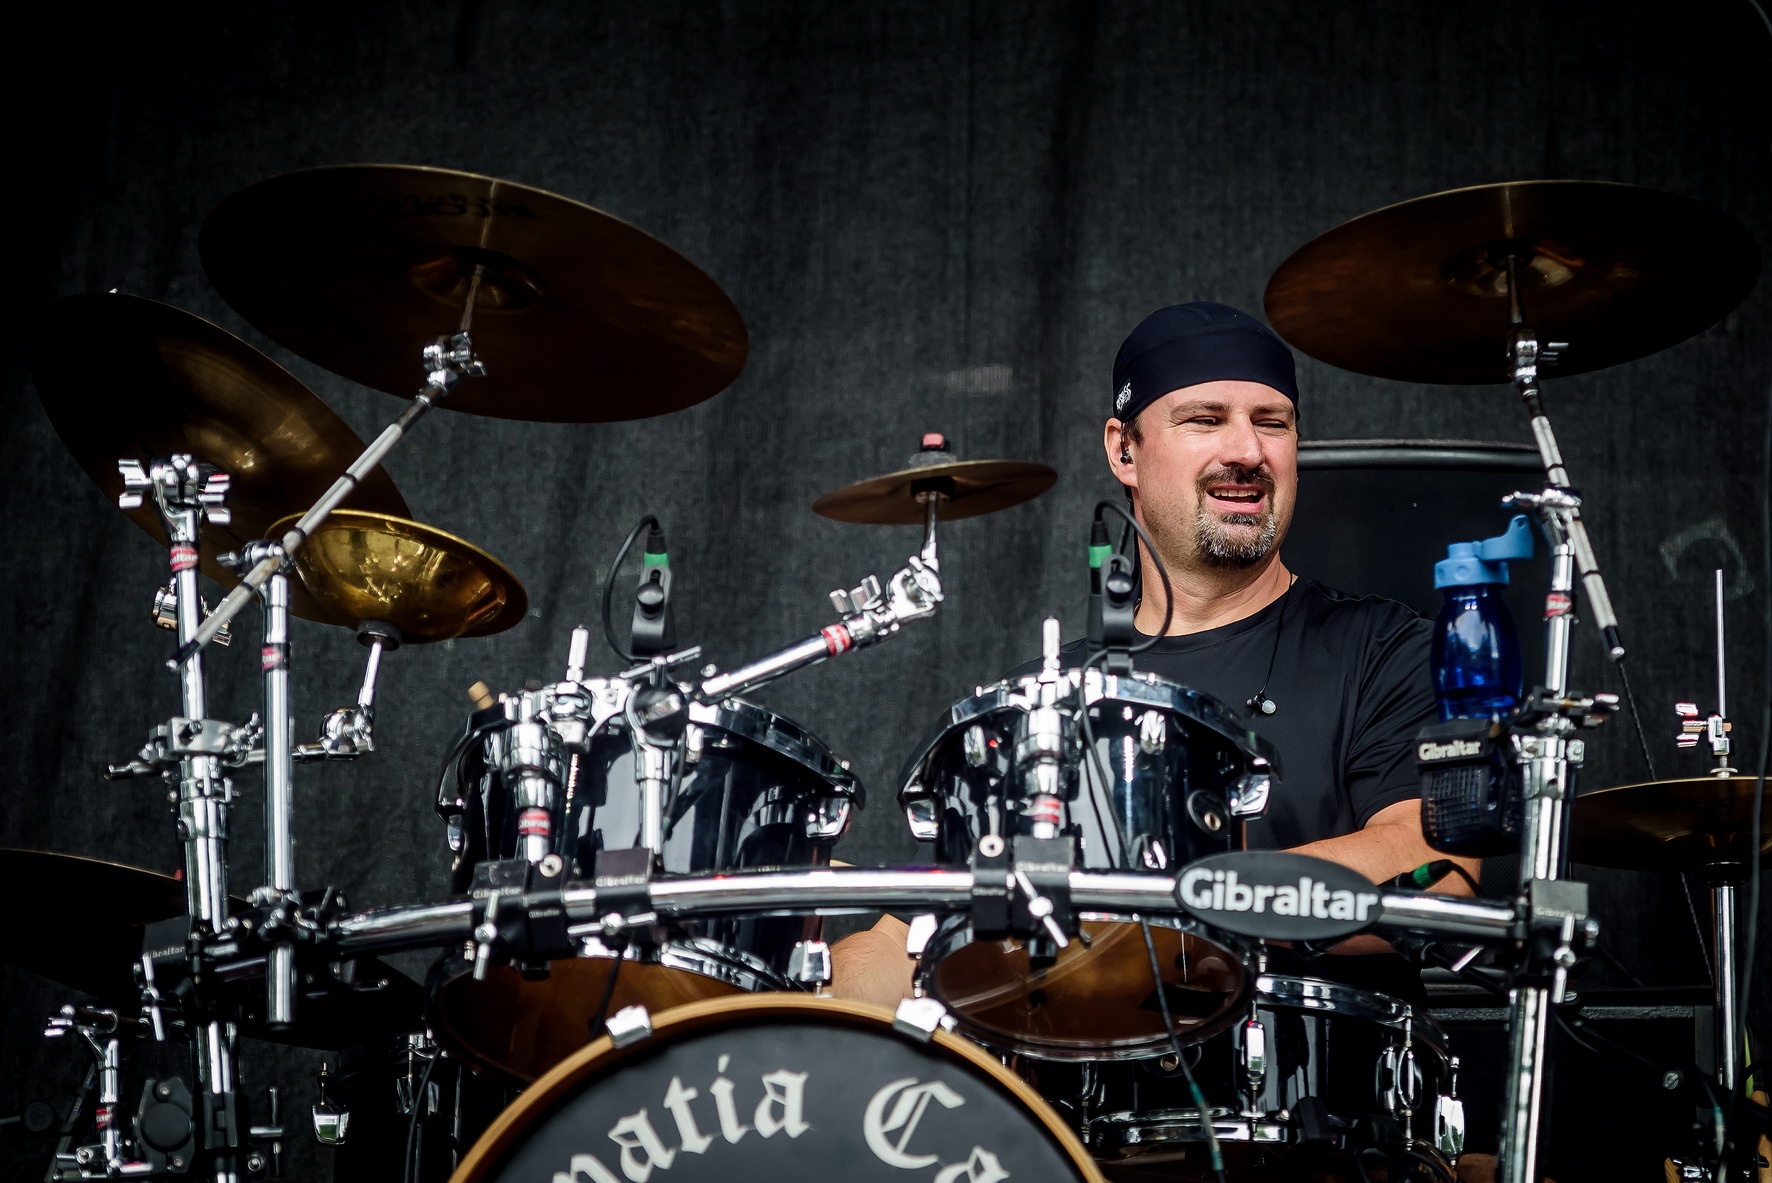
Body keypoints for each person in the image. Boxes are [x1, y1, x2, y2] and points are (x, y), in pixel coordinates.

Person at [831, 301, 1480, 1009]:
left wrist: (1170, 903)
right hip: (1083, 1078)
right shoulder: (1043, 700)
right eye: (1205, 420)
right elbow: (909, 937)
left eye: (1272, 422)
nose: (1247, 451)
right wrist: (807, 1014)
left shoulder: (1388, 649)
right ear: (1124, 451)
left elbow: (1437, 866)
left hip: (1307, 1075)